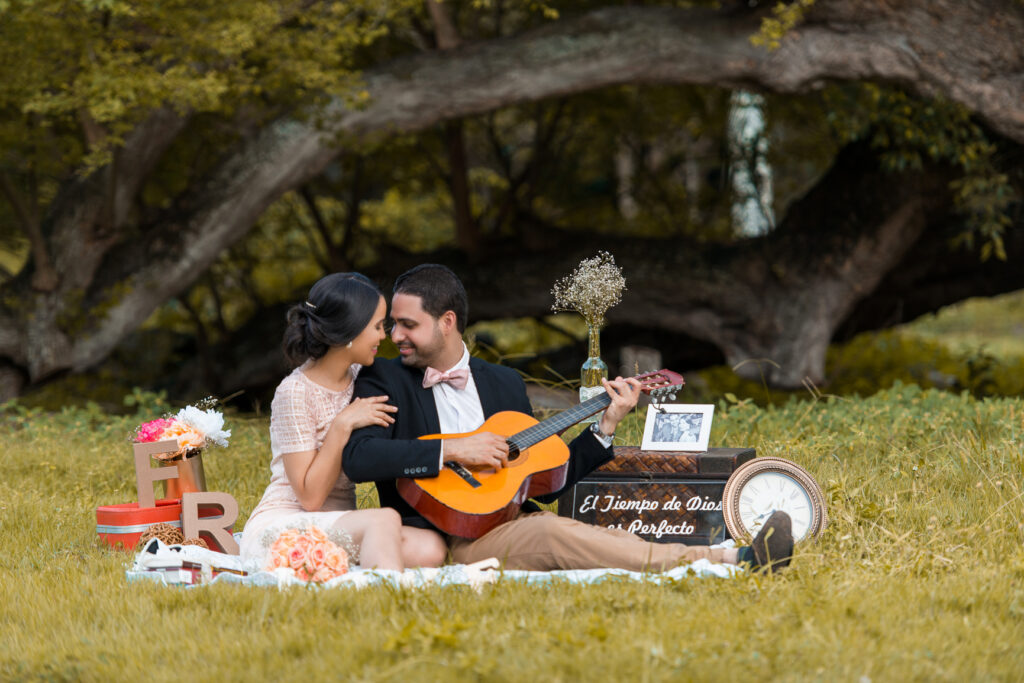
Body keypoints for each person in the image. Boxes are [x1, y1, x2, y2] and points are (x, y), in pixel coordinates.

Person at [342, 264, 793, 573]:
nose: (394, 335)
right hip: (441, 536)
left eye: (407, 324)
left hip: (507, 525)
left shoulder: (502, 383)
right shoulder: (382, 378)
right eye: (393, 323)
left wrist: (606, 426)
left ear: (446, 321)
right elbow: (361, 459)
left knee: (572, 531)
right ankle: (731, 561)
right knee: (558, 532)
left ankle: (728, 559)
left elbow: (545, 479)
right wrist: (453, 448)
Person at [239, 273, 447, 571]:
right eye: (376, 326)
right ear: (350, 331)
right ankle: (385, 598)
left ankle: (365, 569)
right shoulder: (294, 392)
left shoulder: (363, 379)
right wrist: (342, 425)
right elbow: (309, 499)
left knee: (430, 548)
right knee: (385, 518)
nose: (384, 336)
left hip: (343, 525)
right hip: (284, 523)